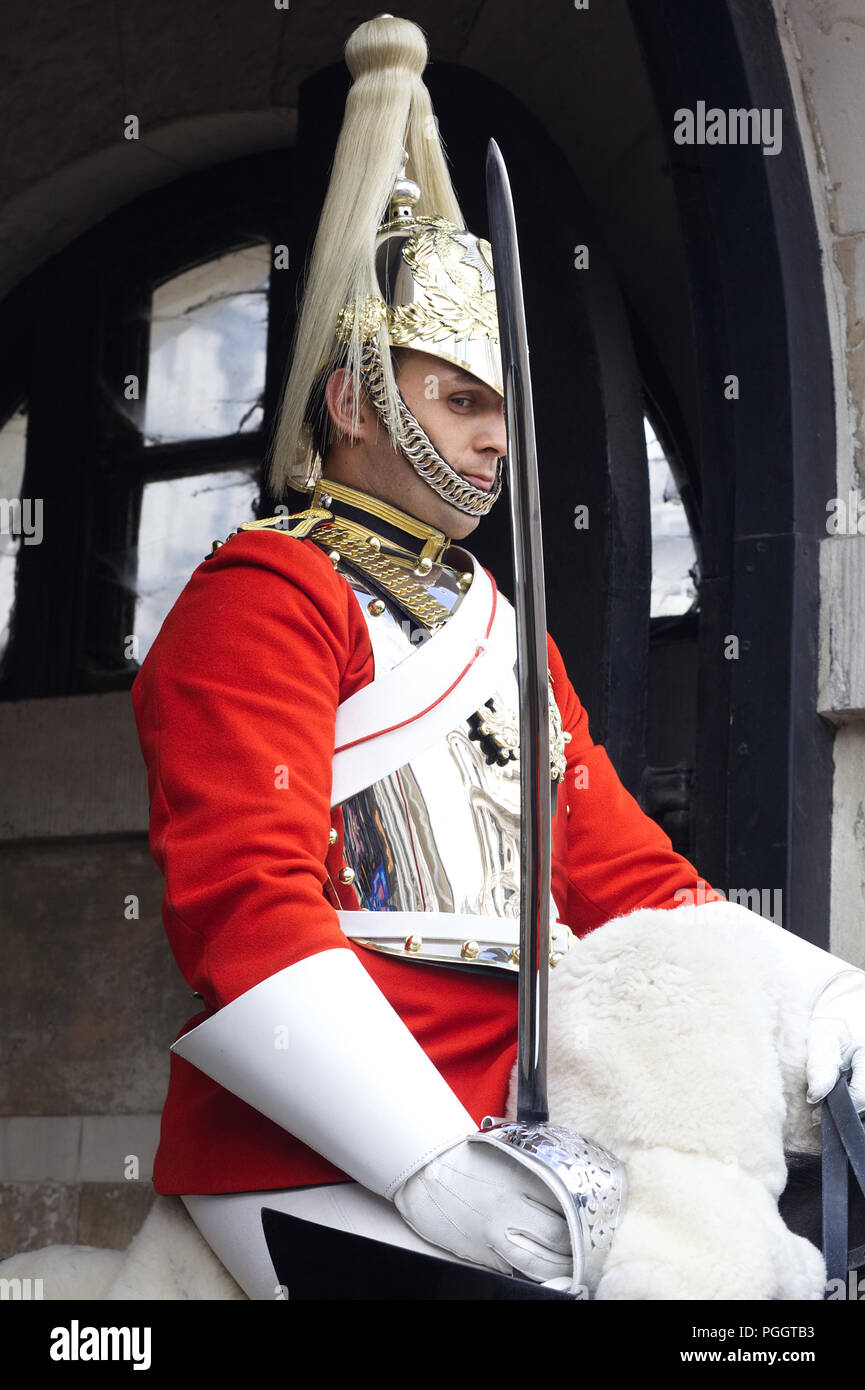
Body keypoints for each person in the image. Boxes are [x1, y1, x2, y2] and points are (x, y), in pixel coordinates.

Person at [131, 15, 865, 1300]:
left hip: (522, 1109)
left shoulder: (500, 628)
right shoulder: (261, 596)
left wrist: (823, 1011)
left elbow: (630, 882)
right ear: (353, 401)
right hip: (322, 1145)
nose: (492, 441)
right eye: (458, 400)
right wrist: (419, 1156)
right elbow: (245, 909)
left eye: (501, 409)